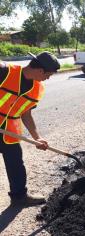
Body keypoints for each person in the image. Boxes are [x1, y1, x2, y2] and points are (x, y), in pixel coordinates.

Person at [0, 51, 60, 205]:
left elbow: (26, 114)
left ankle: (19, 197)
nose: (47, 78)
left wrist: (37, 137)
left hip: (9, 132)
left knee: (16, 164)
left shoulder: (36, 88)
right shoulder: (4, 71)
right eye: (48, 75)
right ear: (40, 70)